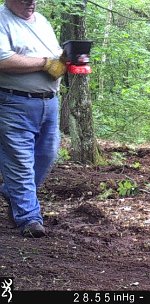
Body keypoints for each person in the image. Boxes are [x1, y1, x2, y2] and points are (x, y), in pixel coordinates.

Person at [0, 0, 67, 237]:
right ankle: (29, 218)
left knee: (46, 154)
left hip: (49, 102)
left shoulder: (43, 22)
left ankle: (11, 191)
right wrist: (45, 64)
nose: (31, 2)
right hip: (13, 102)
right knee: (19, 162)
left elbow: (55, 55)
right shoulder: (2, 19)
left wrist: (68, 60)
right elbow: (3, 60)